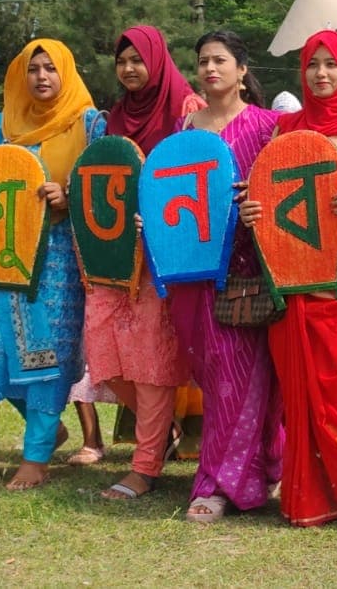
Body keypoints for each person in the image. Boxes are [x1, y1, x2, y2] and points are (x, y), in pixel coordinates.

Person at [243, 29, 337, 527]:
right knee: (298, 388)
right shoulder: (284, 129)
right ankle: (305, 493)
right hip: (291, 282)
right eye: (312, 64)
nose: (321, 74)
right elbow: (266, 192)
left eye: (331, 64)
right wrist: (252, 211)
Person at [0, 40, 102, 491]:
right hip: (3, 255)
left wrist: (70, 195)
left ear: (66, 72)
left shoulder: (90, 124)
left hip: (60, 253)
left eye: (51, 67)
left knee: (48, 353)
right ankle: (48, 430)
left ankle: (35, 456)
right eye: (33, 69)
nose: (42, 76)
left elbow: (107, 188)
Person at [170, 31, 284, 524]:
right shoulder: (185, 130)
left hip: (250, 268)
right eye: (203, 61)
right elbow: (171, 190)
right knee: (217, 379)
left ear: (242, 70)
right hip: (197, 271)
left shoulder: (267, 126)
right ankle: (253, 470)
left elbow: (281, 186)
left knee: (248, 378)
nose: (210, 68)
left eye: (220, 60)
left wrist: (257, 199)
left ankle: (218, 483)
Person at [89, 26, 196, 500]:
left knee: (152, 360)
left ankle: (144, 466)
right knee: (102, 352)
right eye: (122, 61)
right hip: (114, 255)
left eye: (138, 60)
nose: (129, 69)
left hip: (164, 254)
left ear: (157, 60)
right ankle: (164, 430)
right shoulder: (114, 117)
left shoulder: (186, 110)